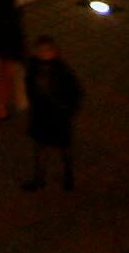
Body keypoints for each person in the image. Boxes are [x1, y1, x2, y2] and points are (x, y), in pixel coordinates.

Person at [19, 39, 84, 193]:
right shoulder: (33, 66)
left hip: (58, 117)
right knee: (40, 148)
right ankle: (39, 179)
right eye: (40, 50)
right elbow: (29, 85)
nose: (43, 53)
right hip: (42, 115)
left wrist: (68, 111)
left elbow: (76, 93)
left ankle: (68, 175)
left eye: (46, 50)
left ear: (54, 51)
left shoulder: (62, 71)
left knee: (64, 149)